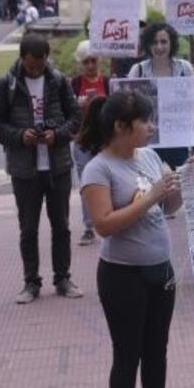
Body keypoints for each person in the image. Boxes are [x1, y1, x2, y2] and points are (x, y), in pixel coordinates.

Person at [79, 91, 194, 388]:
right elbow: (104, 225)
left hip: (160, 270)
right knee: (128, 352)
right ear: (120, 126)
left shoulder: (149, 156)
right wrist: (152, 196)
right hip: (122, 276)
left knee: (156, 349)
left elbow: (169, 206)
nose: (151, 127)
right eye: (144, 121)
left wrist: (181, 183)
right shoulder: (98, 169)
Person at [0, 32, 84, 303]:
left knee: (61, 226)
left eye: (39, 66)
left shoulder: (58, 81)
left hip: (58, 166)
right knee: (28, 229)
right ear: (22, 59)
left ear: (46, 59)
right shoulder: (8, 84)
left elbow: (75, 117)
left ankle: (63, 278)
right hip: (24, 169)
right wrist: (19, 136)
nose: (35, 70)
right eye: (30, 66)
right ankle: (31, 283)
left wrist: (58, 135)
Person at [127, 22, 194, 169]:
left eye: (164, 42)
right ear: (147, 44)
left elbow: (193, 101)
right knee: (149, 184)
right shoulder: (137, 70)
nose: (159, 47)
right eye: (154, 42)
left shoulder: (185, 68)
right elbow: (128, 105)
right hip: (147, 139)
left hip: (178, 138)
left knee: (181, 182)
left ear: (172, 43)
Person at [71, 40, 111, 246]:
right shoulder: (75, 84)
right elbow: (67, 111)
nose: (89, 65)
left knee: (109, 181)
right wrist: (79, 106)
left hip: (104, 139)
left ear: (99, 61)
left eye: (93, 61)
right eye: (85, 62)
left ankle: (110, 221)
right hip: (82, 139)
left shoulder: (107, 82)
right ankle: (88, 226)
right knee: (87, 183)